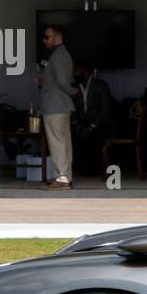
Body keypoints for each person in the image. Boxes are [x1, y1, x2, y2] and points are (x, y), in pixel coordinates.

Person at [38, 24, 77, 189]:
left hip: (55, 105)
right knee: (63, 141)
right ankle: (65, 175)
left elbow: (63, 82)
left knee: (57, 142)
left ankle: (62, 176)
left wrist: (73, 91)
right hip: (59, 104)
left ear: (57, 37)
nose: (44, 40)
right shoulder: (59, 54)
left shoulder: (58, 55)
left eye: (47, 37)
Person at [72, 60, 114, 176]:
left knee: (94, 134)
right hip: (82, 123)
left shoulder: (101, 85)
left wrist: (91, 127)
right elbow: (71, 108)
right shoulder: (74, 87)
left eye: (76, 71)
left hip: (100, 124)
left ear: (85, 72)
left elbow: (106, 109)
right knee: (69, 133)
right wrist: (76, 124)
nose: (74, 74)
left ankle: (93, 168)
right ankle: (77, 167)